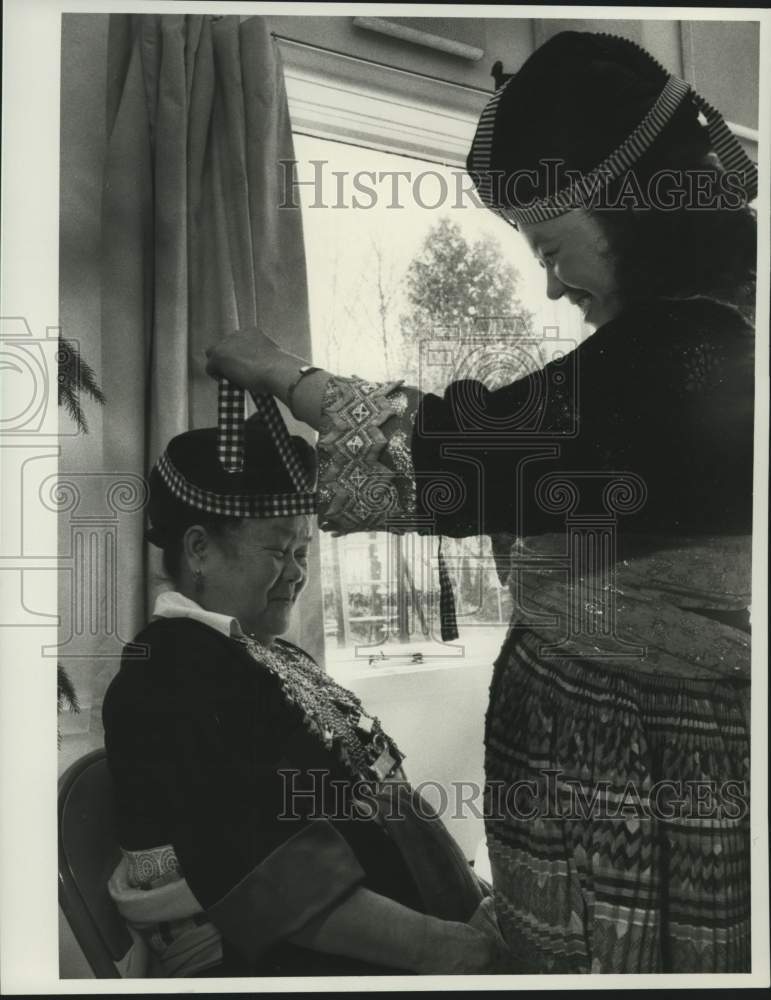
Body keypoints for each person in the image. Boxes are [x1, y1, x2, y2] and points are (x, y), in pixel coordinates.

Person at [204, 31, 756, 974]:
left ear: (624, 207)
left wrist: (285, 375)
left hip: (634, 785)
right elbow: (492, 470)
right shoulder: (674, 345)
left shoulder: (696, 355)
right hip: (601, 770)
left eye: (550, 246)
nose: (549, 282)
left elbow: (464, 454)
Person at [102, 415, 508, 977]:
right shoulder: (166, 679)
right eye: (277, 552)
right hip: (270, 965)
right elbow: (269, 876)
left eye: (303, 552)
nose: (296, 574)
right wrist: (451, 948)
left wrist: (469, 897)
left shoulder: (274, 655)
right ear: (199, 549)